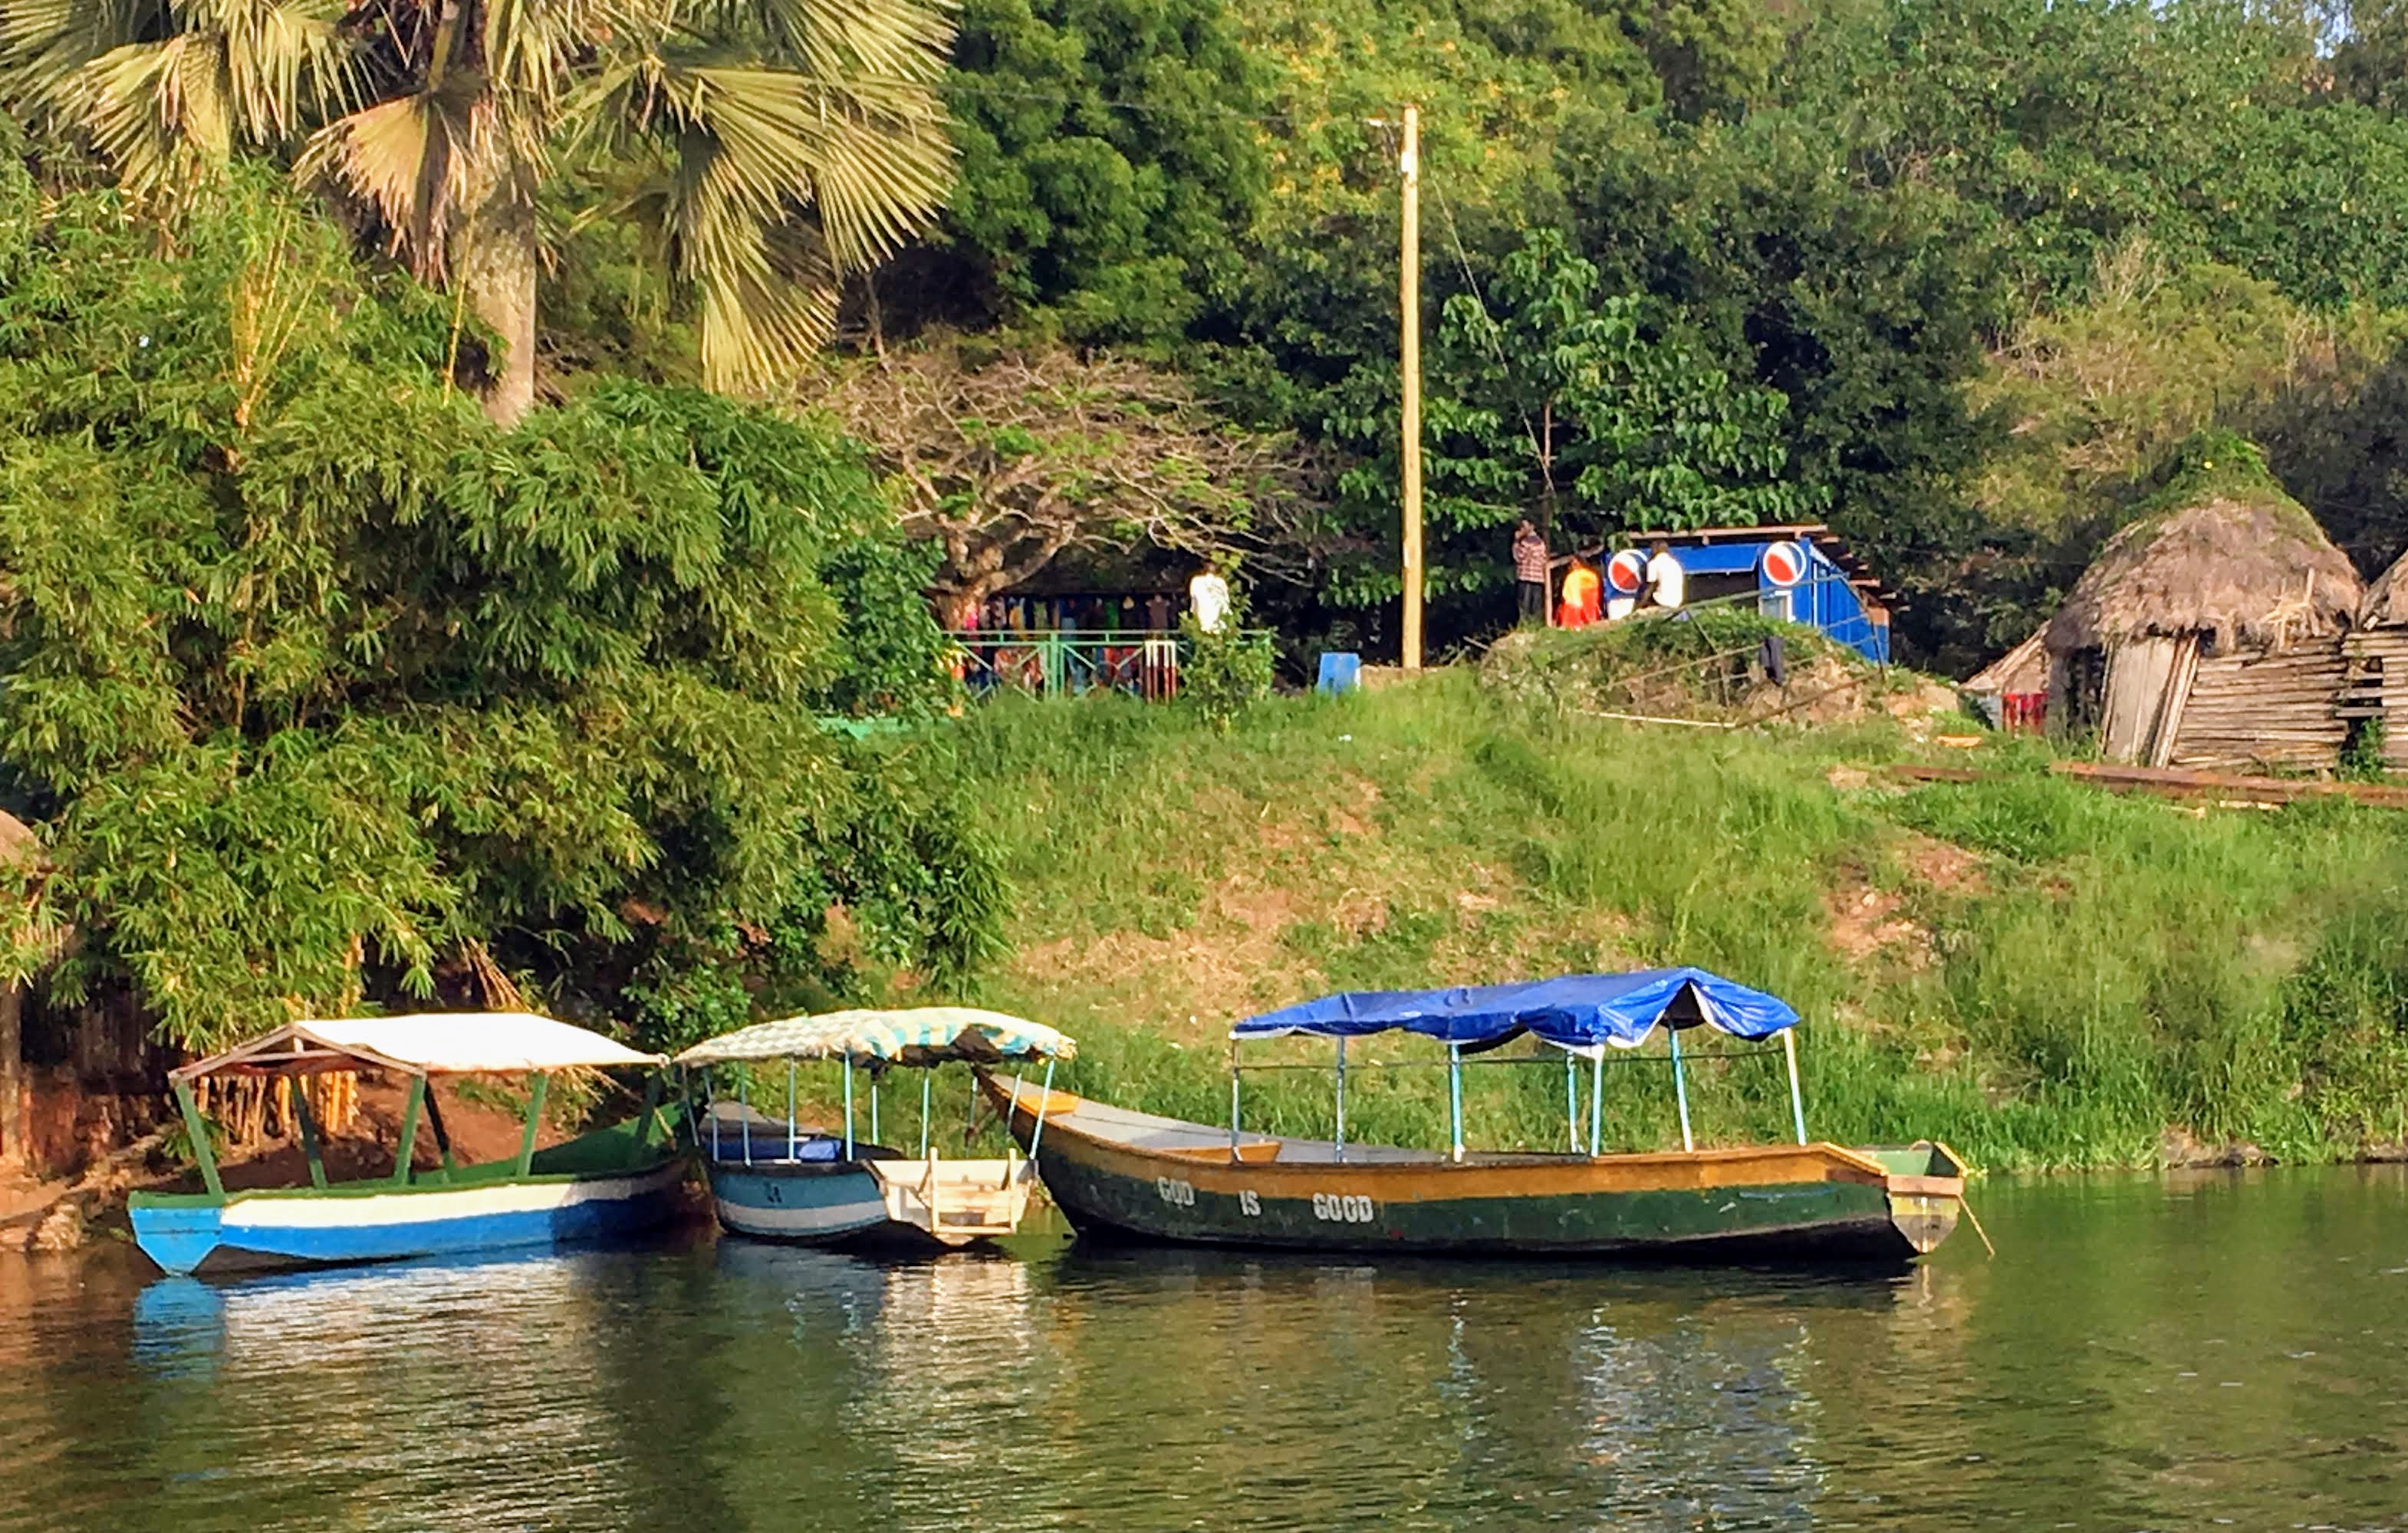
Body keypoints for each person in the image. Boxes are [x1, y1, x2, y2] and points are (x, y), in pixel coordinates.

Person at [1511, 520, 1549, 625]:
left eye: (1524, 527)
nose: (1521, 529)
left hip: (1526, 576)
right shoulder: (1540, 542)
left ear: (1531, 527)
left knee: (1525, 604)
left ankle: (1525, 624)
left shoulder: (1525, 542)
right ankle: (1535, 624)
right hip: (1538, 577)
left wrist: (1516, 541)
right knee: (1535, 603)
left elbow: (1518, 557)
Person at [1188, 563, 1232, 634]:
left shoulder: (1196, 581)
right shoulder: (1220, 582)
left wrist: (1193, 611)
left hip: (1202, 614)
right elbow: (1226, 600)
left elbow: (1194, 599)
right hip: (1216, 616)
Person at [1558, 559, 1601, 628]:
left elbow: (1594, 585)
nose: (1574, 565)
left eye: (1576, 563)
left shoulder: (1588, 574)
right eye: (1573, 564)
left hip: (1586, 597)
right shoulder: (1572, 576)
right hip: (1576, 600)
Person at [1644, 538, 1685, 610]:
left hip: (1662, 601)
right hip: (1677, 602)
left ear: (1655, 549)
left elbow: (1650, 587)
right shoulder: (1675, 562)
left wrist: (1639, 604)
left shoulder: (1654, 563)